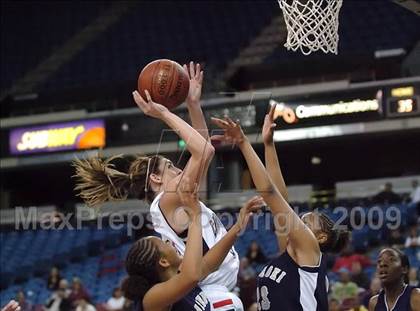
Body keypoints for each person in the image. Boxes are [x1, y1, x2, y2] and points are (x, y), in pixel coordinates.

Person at [73, 63, 240, 307]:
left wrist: (193, 104)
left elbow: (202, 148)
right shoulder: (165, 201)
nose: (179, 169)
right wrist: (162, 113)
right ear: (155, 179)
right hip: (212, 292)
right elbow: (204, 151)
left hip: (217, 287)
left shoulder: (177, 198)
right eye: (171, 166)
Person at [211, 105, 350, 310]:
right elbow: (279, 196)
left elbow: (270, 193)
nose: (298, 219)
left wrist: (243, 142)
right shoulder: (292, 252)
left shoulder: (309, 252)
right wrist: (268, 145)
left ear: (320, 238)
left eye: (306, 221)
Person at [121, 179, 263, 311]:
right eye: (165, 244)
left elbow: (209, 263)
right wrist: (195, 215)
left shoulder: (179, 276)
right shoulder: (151, 298)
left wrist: (238, 226)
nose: (170, 243)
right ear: (163, 261)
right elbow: (192, 276)